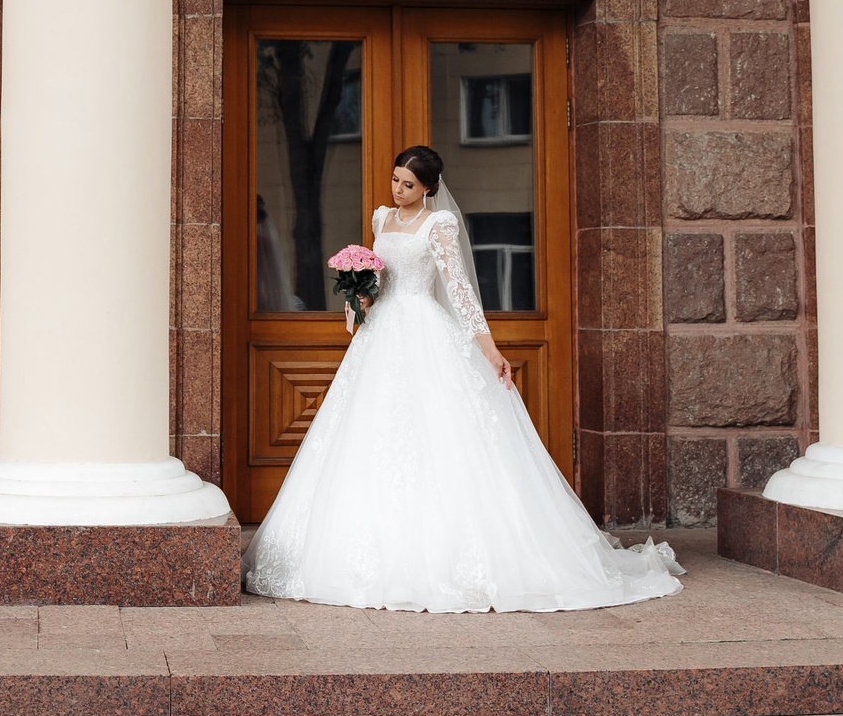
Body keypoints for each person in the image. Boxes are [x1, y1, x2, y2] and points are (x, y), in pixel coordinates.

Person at [244, 145, 684, 613]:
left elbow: (459, 290)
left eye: (408, 185)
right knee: (368, 434)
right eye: (395, 180)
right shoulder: (381, 219)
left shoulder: (440, 225)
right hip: (379, 339)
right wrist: (360, 300)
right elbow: (378, 280)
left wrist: (491, 351)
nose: (398, 190)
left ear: (430, 188)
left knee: (443, 438)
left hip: (425, 333)